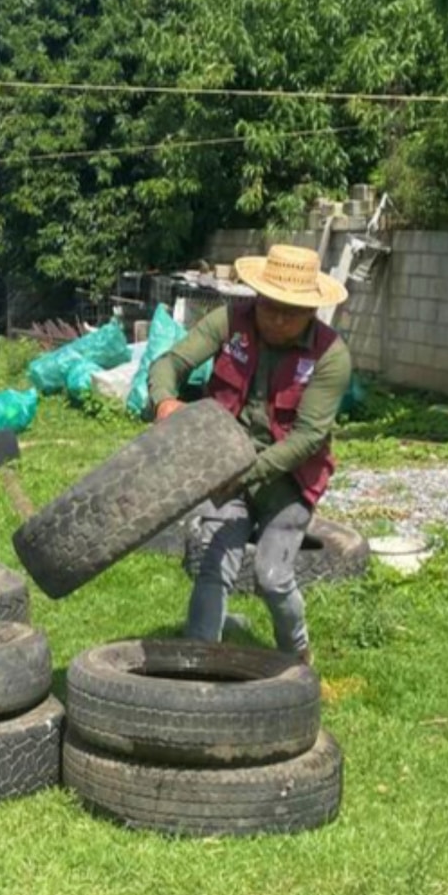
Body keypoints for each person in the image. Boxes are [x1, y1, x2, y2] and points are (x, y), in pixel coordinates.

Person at [146, 244, 352, 662]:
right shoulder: (228, 322)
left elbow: (308, 438)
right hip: (226, 468)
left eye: (291, 311)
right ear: (258, 296)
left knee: (271, 577)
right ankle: (197, 662)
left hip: (289, 480)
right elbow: (169, 363)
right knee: (214, 563)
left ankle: (297, 656)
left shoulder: (331, 356)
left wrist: (244, 473)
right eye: (269, 306)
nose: (277, 318)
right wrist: (165, 400)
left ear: (312, 309)